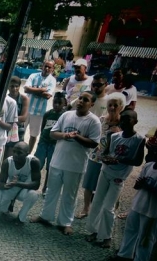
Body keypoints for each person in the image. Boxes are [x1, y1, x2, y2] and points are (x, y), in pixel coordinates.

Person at [33, 92, 101, 235]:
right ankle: (45, 216)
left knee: (69, 195)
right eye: (80, 98)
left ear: (92, 104)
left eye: (85, 100)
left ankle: (65, 222)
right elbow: (52, 133)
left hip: (75, 165)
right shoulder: (66, 115)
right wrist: (64, 135)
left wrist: (76, 137)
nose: (81, 101)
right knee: (51, 191)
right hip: (57, 161)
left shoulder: (93, 121)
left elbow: (94, 143)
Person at [86, 110, 145, 248]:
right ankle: (93, 231)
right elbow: (105, 153)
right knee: (97, 202)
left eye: (128, 120)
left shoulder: (139, 140)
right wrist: (105, 158)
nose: (124, 122)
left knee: (108, 207)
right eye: (122, 119)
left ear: (135, 122)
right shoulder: (114, 136)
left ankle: (106, 236)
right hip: (105, 172)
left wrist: (119, 159)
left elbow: (137, 161)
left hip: (119, 177)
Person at [110, 143, 157, 261]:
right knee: (130, 230)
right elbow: (138, 185)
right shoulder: (149, 166)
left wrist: (148, 186)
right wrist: (140, 185)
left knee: (146, 238)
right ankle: (125, 254)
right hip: (138, 204)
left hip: (153, 211)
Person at [75, 92, 125, 219]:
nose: (112, 108)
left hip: (113, 160)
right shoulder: (101, 120)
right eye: (110, 105)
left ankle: (110, 211)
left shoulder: (124, 123)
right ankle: (86, 209)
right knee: (89, 183)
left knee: (112, 186)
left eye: (115, 105)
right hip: (96, 156)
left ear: (121, 107)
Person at [0, 142, 41, 224]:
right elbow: (1, 184)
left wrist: (17, 183)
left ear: (27, 154)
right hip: (11, 187)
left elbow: (36, 185)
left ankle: (21, 218)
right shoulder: (7, 162)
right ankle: (8, 203)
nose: (15, 155)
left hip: (25, 189)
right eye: (14, 151)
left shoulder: (34, 162)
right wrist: (6, 185)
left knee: (33, 195)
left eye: (19, 153)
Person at [33, 92, 67, 196]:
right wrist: (41, 140)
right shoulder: (48, 114)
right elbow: (43, 128)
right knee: (37, 164)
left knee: (50, 167)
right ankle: (34, 184)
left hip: (55, 145)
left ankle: (45, 188)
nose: (56, 105)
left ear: (64, 103)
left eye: (59, 103)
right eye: (55, 102)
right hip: (43, 142)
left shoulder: (64, 116)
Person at [23, 60, 56, 152]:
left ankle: (28, 153)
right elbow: (26, 89)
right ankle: (20, 150)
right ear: (42, 66)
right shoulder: (33, 76)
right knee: (21, 131)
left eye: (49, 67)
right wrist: (41, 90)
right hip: (26, 109)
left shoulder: (52, 80)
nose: (47, 68)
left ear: (52, 69)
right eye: (45, 66)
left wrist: (33, 90)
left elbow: (47, 96)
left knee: (33, 135)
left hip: (39, 112)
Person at [5, 76, 29, 158]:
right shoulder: (4, 98)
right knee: (4, 155)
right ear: (8, 86)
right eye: (12, 86)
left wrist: (7, 119)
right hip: (5, 128)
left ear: (19, 87)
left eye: (16, 86)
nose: (14, 89)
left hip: (17, 130)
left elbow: (23, 118)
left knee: (14, 156)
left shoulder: (24, 99)